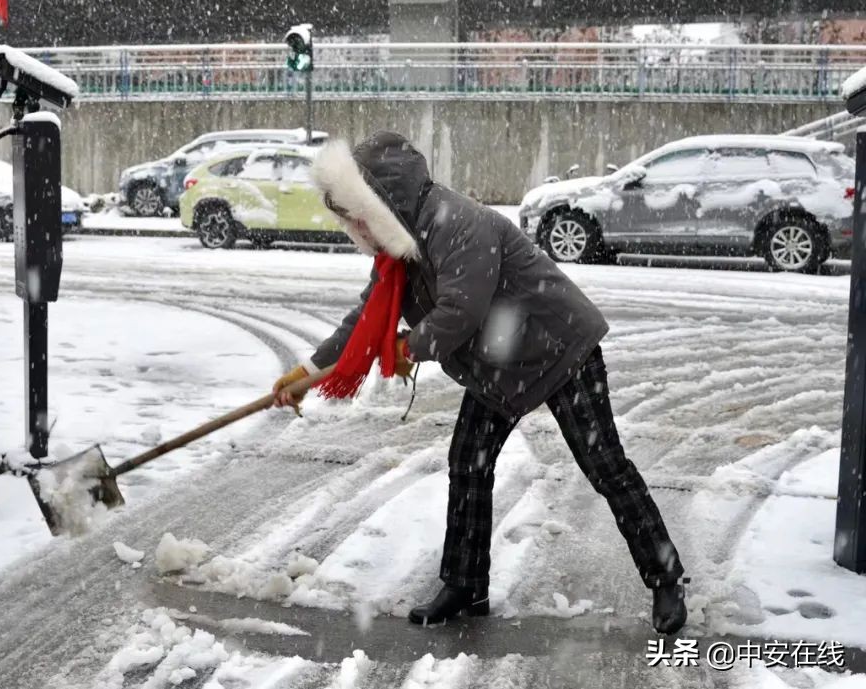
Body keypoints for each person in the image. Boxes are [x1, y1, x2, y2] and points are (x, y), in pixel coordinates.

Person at [272, 132, 688, 633]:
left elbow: (460, 310)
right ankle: (465, 586)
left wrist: (408, 348)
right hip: (500, 365)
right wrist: (309, 374)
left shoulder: (457, 223)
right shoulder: (399, 247)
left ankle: (666, 578)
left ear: (379, 202)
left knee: (604, 466)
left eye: (356, 213)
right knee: (468, 463)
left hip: (559, 348)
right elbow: (364, 318)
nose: (353, 226)